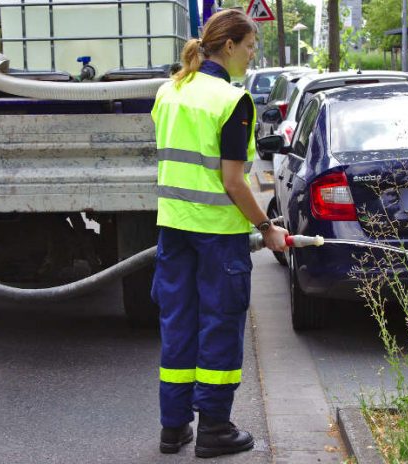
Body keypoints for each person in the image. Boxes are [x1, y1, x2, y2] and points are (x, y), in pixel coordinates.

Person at [150, 8, 288, 459]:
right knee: (220, 325)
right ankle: (214, 428)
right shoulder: (232, 101)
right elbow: (233, 182)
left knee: (177, 324)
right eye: (249, 46)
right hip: (218, 237)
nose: (251, 56)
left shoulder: (169, 90)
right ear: (228, 46)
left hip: (173, 230)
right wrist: (266, 227)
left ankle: (174, 429)